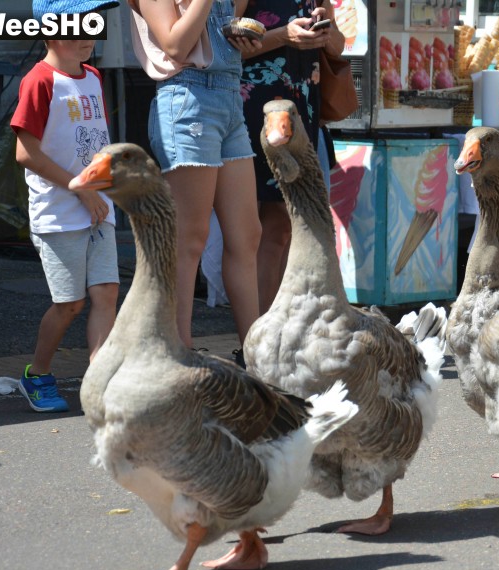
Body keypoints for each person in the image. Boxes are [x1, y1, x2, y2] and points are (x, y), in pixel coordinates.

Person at [127, 0, 261, 360]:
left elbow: (230, 18)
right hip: (187, 96)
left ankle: (256, 353)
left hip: (228, 93)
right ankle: (177, 352)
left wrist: (239, 33)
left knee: (247, 234)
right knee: (189, 236)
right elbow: (174, 45)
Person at [10, 0, 123, 413]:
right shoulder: (38, 81)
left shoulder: (93, 76)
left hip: (99, 208)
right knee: (69, 304)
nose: (90, 33)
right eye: (80, 25)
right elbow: (25, 154)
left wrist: (105, 191)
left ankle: (100, 379)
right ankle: (37, 373)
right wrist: (81, 188)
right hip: (59, 214)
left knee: (107, 293)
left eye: (94, 23)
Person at [231, 0, 343, 314]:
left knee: (284, 222)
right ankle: (253, 329)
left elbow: (337, 46)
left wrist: (325, 32)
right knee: (253, 225)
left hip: (301, 105)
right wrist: (283, 36)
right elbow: (223, 50)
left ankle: (274, 322)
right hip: (256, 106)